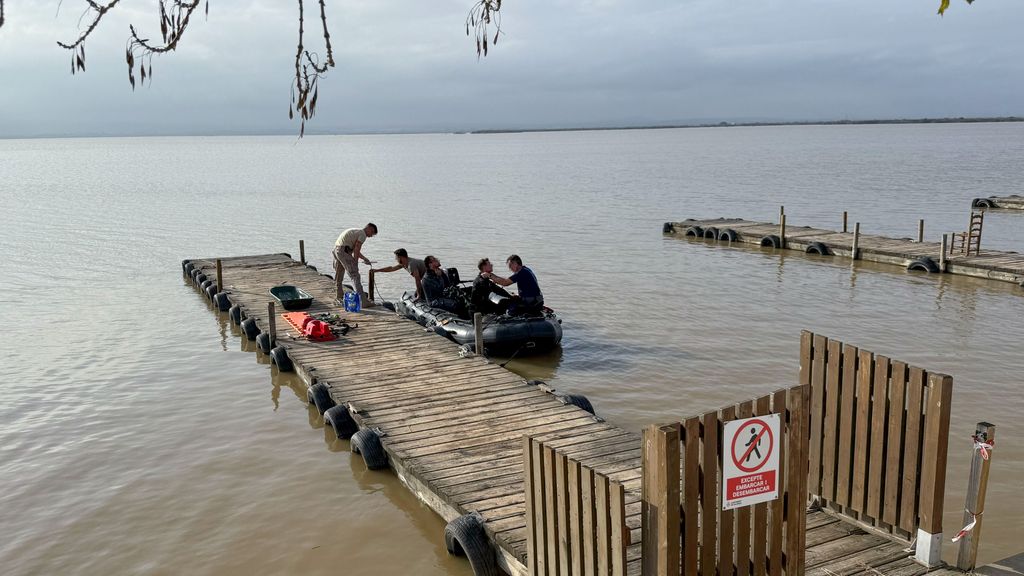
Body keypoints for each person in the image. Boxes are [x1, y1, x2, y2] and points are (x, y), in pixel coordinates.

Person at [333, 222, 377, 304]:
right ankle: (363, 302)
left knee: (339, 274)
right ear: (369, 228)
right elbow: (356, 249)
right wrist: (355, 263)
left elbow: (355, 250)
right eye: (372, 233)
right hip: (343, 251)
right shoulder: (363, 234)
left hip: (337, 250)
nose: (371, 236)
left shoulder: (355, 231)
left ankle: (339, 297)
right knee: (355, 275)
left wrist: (364, 258)